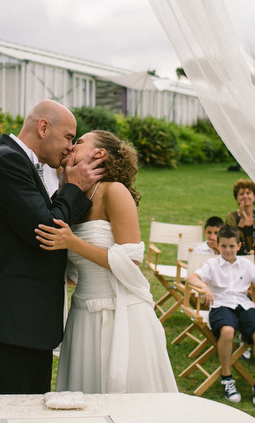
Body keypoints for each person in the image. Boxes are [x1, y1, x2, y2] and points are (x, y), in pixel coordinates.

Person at [0, 99, 102, 394]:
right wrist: (74, 187)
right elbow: (46, 231)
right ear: (44, 127)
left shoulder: (21, 161)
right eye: (69, 137)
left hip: (26, 323)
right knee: (5, 411)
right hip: (12, 322)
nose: (70, 147)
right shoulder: (7, 161)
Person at [35, 130, 177, 393]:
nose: (70, 147)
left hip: (118, 313)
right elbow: (75, 269)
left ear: (99, 154)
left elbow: (131, 263)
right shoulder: (75, 196)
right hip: (82, 316)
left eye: (78, 142)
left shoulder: (115, 192)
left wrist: (73, 242)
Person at [186, 225, 255, 407]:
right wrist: (204, 287)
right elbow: (191, 278)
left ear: (239, 246)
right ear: (218, 246)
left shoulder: (245, 264)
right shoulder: (212, 264)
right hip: (220, 304)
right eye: (224, 246)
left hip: (244, 304)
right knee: (227, 331)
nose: (228, 250)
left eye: (232, 246)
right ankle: (227, 377)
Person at [225, 179, 255, 256]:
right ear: (237, 198)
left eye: (248, 193)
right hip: (238, 257)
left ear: (254, 196)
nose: (245, 196)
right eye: (241, 194)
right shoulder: (232, 216)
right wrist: (242, 221)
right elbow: (231, 240)